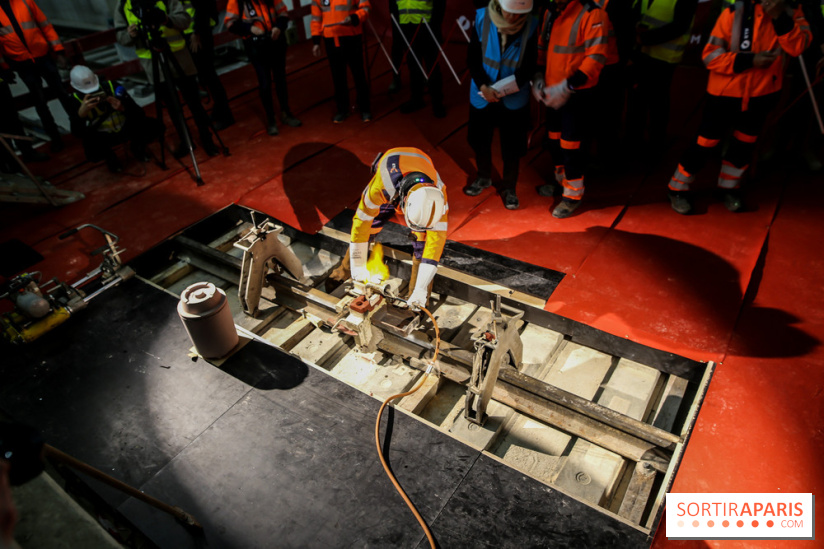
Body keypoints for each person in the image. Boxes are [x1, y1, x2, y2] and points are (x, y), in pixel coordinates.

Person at [667, 0, 811, 214]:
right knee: (705, 143)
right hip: (725, 93)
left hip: (762, 94)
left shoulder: (793, 13)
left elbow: (798, 47)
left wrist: (780, 17)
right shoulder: (733, 13)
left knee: (744, 145)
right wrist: (749, 60)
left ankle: (729, 188)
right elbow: (710, 56)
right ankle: (677, 188)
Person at [331, 147, 447, 309]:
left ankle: (417, 301)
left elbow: (434, 247)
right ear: (404, 201)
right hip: (393, 163)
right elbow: (361, 223)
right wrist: (357, 265)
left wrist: (420, 289)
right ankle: (344, 270)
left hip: (419, 164)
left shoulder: (439, 201)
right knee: (372, 225)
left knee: (423, 244)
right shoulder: (381, 187)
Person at [533, 0, 611, 218]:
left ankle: (572, 195)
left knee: (572, 146)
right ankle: (560, 182)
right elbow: (542, 47)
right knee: (553, 138)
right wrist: (538, 76)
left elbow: (595, 58)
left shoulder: (593, 15)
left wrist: (567, 86)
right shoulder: (550, 11)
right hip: (552, 90)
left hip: (577, 94)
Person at [114, 0, 220, 157]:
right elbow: (120, 36)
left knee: (194, 102)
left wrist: (166, 19)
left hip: (180, 58)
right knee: (172, 108)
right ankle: (186, 141)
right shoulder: (123, 4)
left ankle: (207, 139)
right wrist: (130, 34)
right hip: (153, 63)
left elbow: (184, 20)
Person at [463, 0, 538, 210]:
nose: (513, 18)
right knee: (479, 139)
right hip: (483, 92)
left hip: (514, 96)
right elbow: (473, 57)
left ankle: (509, 188)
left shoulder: (532, 25)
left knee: (512, 147)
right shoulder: (481, 18)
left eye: (518, 15)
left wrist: (510, 87)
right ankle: (483, 176)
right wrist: (484, 86)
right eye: (510, 12)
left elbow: (530, 64)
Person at [625, 0, 697, 156]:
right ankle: (633, 143)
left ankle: (655, 146)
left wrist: (645, 38)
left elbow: (679, 26)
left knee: (657, 103)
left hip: (664, 58)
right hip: (642, 53)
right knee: (637, 100)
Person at [0, 0, 71, 152]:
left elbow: (45, 25)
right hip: (23, 64)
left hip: (43, 57)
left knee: (62, 93)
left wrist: (58, 51)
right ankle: (56, 139)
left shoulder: (25, 2)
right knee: (40, 102)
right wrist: (5, 68)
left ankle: (79, 127)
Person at [225, 0, 301, 135]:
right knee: (264, 83)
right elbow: (230, 23)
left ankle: (286, 113)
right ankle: (271, 119)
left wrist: (279, 27)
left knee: (280, 79)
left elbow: (283, 12)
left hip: (276, 42)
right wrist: (250, 29)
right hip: (256, 47)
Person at [67, 65, 163, 173]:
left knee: (155, 126)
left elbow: (139, 114)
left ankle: (137, 148)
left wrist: (123, 108)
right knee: (91, 148)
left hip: (125, 128)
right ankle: (111, 159)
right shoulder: (74, 101)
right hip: (103, 136)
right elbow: (77, 133)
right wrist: (81, 115)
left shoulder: (113, 87)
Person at [310, 0, 372, 122]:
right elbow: (315, 19)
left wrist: (354, 18)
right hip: (331, 39)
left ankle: (365, 109)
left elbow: (366, 8)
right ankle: (342, 110)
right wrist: (316, 42)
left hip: (352, 36)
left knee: (358, 74)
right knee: (338, 77)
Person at [182, 0, 235, 130]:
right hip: (192, 33)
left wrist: (197, 32)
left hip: (199, 33)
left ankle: (225, 115)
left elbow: (202, 7)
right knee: (206, 76)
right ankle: (219, 110)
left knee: (209, 75)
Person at [393, 0, 446, 118]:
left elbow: (440, 3)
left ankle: (437, 103)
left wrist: (435, 26)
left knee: (432, 66)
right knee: (413, 65)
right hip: (406, 25)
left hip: (426, 25)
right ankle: (417, 99)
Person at [0, 69, 49, 170]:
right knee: (3, 130)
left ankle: (27, 153)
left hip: (2, 88)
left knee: (14, 121)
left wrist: (6, 72)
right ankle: (11, 163)